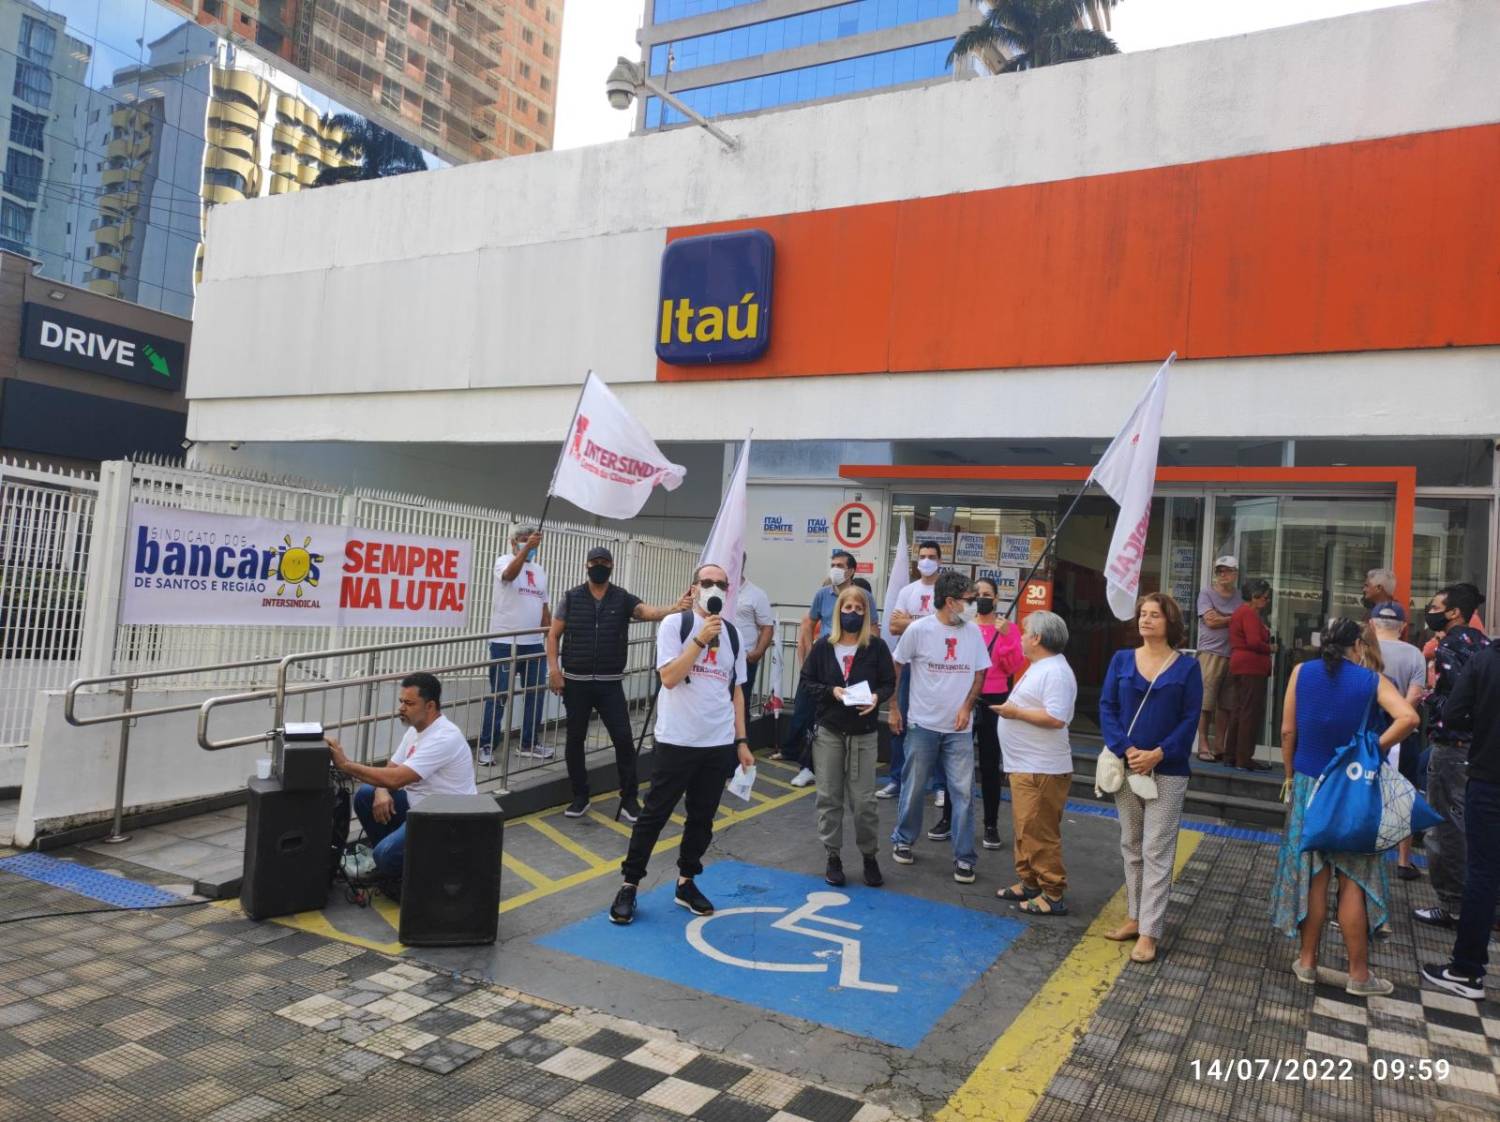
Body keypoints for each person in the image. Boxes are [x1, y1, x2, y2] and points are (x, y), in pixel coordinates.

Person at [1270, 618, 1419, 998]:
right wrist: (1372, 749)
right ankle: (1359, 974)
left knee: (1314, 877)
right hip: (1354, 788)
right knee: (1353, 881)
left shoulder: (1301, 672)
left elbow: (1288, 731)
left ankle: (1306, 962)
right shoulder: (1371, 681)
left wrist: (1291, 774)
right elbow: (1409, 717)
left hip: (1309, 786)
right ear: (1358, 646)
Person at [608, 563, 754, 925]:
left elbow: (735, 691)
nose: (715, 588)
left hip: (717, 742)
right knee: (654, 814)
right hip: (677, 740)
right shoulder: (676, 625)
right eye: (708, 582)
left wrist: (742, 740)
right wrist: (701, 639)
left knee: (702, 818)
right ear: (694, 588)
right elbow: (670, 677)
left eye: (722, 583)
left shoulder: (734, 635)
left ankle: (686, 881)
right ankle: (629, 884)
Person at [546, 547, 692, 824]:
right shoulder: (571, 597)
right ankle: (580, 796)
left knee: (624, 740)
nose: (599, 566)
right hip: (575, 683)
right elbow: (553, 636)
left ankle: (629, 799)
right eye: (595, 562)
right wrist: (554, 670)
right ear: (586, 565)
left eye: (604, 562)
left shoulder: (622, 597)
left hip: (610, 683)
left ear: (611, 566)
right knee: (575, 741)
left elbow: (645, 611)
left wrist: (673, 609)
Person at [1097, 594, 1203, 960]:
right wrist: (1125, 748)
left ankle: (1150, 931)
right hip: (1126, 766)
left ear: (1169, 622)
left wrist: (1159, 752)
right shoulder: (1121, 659)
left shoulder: (1187, 668)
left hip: (1168, 770)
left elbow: (1191, 719)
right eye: (1142, 614)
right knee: (1131, 843)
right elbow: (1107, 706)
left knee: (1157, 848)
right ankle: (1134, 916)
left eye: (1154, 615)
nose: (1146, 620)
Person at [326, 673, 478, 894]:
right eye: (401, 702)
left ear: (430, 706)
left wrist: (346, 765)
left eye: (409, 703)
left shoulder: (444, 737)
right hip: (420, 806)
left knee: (384, 854)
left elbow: (397, 778)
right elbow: (391, 769)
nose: (401, 708)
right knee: (366, 795)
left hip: (446, 819)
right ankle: (396, 866)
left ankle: (406, 870)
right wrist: (380, 791)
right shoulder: (415, 731)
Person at [888, 570, 987, 883]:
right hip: (922, 724)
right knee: (914, 787)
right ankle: (903, 839)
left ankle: (964, 858)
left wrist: (967, 707)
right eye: (970, 600)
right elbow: (897, 666)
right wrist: (893, 707)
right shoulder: (918, 630)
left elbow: (980, 673)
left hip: (959, 729)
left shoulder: (972, 633)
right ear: (950, 602)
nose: (975, 605)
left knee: (964, 794)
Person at [799, 585, 896, 888]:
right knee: (829, 797)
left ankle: (869, 855)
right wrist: (832, 691)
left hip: (864, 734)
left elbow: (888, 682)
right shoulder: (823, 647)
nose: (852, 613)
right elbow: (807, 681)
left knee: (865, 801)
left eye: (858, 608)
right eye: (847, 608)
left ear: (866, 613)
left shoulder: (876, 647)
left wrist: (878, 698)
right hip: (829, 731)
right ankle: (833, 856)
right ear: (838, 611)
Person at [1422, 639, 1500, 999]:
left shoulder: (1485, 661)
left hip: (1489, 778)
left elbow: (1452, 715)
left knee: (1482, 873)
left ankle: (1467, 970)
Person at [1414, 582, 1491, 927]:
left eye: (1435, 605)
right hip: (1481, 749)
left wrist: (1429, 698)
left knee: (1445, 827)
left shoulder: (1448, 648)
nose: (1430, 610)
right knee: (1473, 827)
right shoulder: (1485, 646)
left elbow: (1457, 705)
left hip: (1452, 747)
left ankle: (1453, 904)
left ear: (1453, 612)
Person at [995, 610, 1078, 916]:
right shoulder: (1042, 666)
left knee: (1039, 832)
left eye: (1025, 630)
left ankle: (1052, 893)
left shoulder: (1054, 671)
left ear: (1038, 638)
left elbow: (1056, 718)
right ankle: (1030, 882)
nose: (1021, 635)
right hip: (1025, 765)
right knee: (1024, 828)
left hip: (1042, 768)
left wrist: (1013, 713)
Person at [786, 551, 878, 786]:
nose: (835, 569)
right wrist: (807, 657)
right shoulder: (822, 594)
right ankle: (807, 766)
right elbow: (809, 623)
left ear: (851, 571)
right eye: (833, 565)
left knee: (847, 717)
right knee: (810, 715)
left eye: (840, 565)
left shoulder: (864, 596)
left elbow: (874, 629)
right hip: (824, 664)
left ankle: (845, 769)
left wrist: (870, 663)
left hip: (852, 665)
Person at [881, 540, 947, 823]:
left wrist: (914, 622)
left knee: (941, 725)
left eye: (932, 556)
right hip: (908, 665)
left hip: (941, 667)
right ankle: (897, 778)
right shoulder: (907, 591)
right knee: (901, 722)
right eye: (922, 556)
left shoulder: (948, 590)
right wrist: (929, 622)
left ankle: (940, 785)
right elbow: (894, 626)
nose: (927, 560)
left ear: (940, 560)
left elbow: (950, 624)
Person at [479, 527, 553, 767]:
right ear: (513, 542)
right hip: (505, 643)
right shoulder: (504, 561)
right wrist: (525, 551)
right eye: (523, 541)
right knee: (500, 695)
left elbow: (544, 606)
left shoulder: (540, 571)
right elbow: (509, 576)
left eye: (531, 542)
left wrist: (549, 637)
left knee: (535, 695)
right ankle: (487, 744)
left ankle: (529, 743)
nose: (528, 545)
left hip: (533, 645)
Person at [1370, 601, 1427, 880]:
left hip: (1369, 734)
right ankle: (1404, 861)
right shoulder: (1414, 654)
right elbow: (1416, 695)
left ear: (1371, 624)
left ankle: (1365, 848)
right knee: (1403, 794)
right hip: (1404, 733)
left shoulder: (1363, 650)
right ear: (1403, 627)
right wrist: (1399, 719)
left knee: (1366, 790)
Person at [973, 577, 1026, 850]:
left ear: (995, 599)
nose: (982, 598)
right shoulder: (965, 626)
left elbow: (1013, 665)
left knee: (990, 763)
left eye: (987, 594)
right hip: (965, 697)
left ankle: (990, 824)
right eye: (978, 593)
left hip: (995, 699)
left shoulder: (1009, 629)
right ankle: (948, 817)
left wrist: (1006, 637)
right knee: (954, 759)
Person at [1195, 556, 1242, 762]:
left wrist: (1222, 617)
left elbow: (1219, 619)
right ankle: (1203, 744)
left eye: (1227, 571)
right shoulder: (1206, 593)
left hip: (1233, 654)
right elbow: (1210, 621)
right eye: (1219, 571)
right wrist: (1235, 619)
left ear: (1235, 573)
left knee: (1227, 704)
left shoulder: (1240, 596)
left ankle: (1220, 745)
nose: (1223, 574)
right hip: (1210, 653)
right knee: (1205, 703)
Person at [1224, 579, 1273, 771]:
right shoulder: (1249, 613)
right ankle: (1243, 757)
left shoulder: (1240, 612)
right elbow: (1253, 642)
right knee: (1249, 713)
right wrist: (1271, 647)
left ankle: (1231, 755)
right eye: (1265, 598)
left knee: (1239, 710)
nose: (1267, 601)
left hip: (1239, 664)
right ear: (1255, 597)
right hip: (1251, 666)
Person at [732, 555, 775, 700]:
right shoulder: (716, 590)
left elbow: (767, 627)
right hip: (716, 657)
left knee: (741, 702)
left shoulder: (756, 594)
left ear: (742, 563)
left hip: (744, 658)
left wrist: (757, 653)